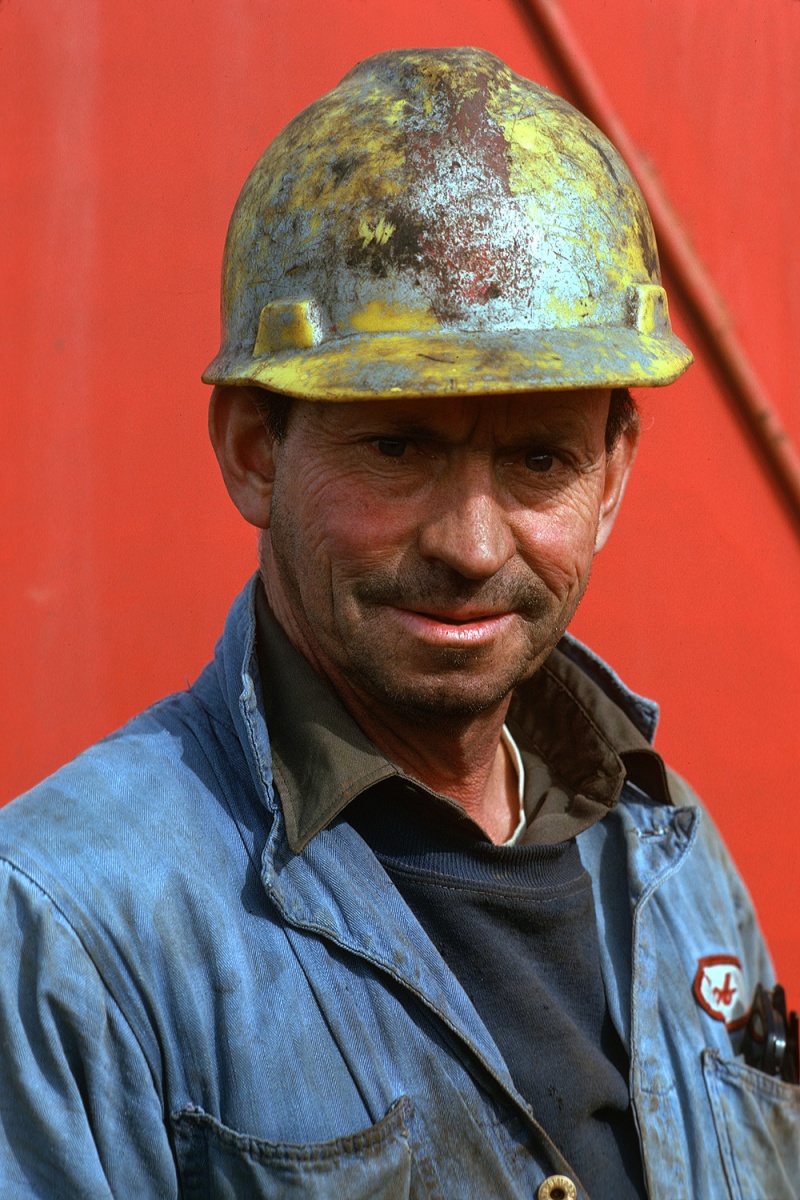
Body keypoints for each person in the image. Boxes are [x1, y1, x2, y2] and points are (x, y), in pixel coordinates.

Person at [1, 46, 796, 1200]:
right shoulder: (67, 934)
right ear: (253, 451)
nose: (470, 547)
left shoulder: (669, 858)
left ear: (610, 477)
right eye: (396, 445)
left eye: (537, 459)